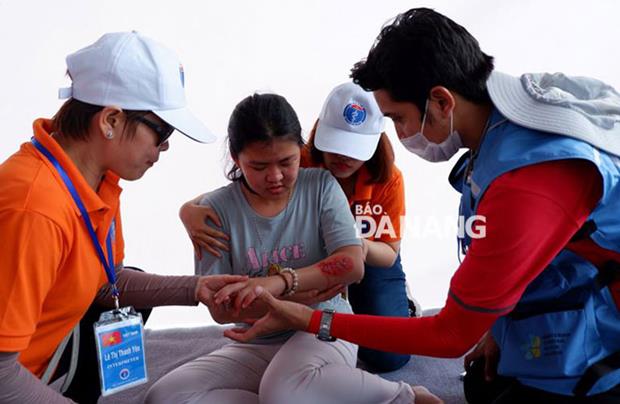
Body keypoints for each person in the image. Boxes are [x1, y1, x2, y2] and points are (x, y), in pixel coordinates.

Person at [224, 8, 620, 404]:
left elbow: (449, 335)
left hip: (602, 337)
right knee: (480, 385)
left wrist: (310, 320)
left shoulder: (530, 180)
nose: (401, 134)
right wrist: (498, 329)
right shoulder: (516, 114)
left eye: (399, 118)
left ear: (441, 101)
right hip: (571, 295)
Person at [0, 31, 247, 403]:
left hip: (39, 358)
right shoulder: (36, 209)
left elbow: (105, 285)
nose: (164, 146)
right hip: (10, 373)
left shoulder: (97, 178)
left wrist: (195, 289)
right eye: (161, 131)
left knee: (133, 296)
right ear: (110, 119)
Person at [145, 93, 440, 404]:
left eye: (287, 162)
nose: (274, 177)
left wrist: (278, 283)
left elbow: (352, 264)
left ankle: (404, 396)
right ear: (235, 157)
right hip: (259, 339)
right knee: (164, 396)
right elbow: (221, 308)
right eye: (258, 166)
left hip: (323, 326)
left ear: (301, 150)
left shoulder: (322, 185)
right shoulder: (212, 212)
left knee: (286, 390)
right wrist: (298, 296)